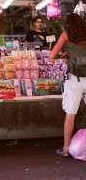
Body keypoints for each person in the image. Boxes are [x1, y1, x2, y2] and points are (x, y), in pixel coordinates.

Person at [50, 13, 86, 157]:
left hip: (75, 80)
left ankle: (66, 149)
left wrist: (64, 56)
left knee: (70, 114)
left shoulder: (66, 35)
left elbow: (52, 56)